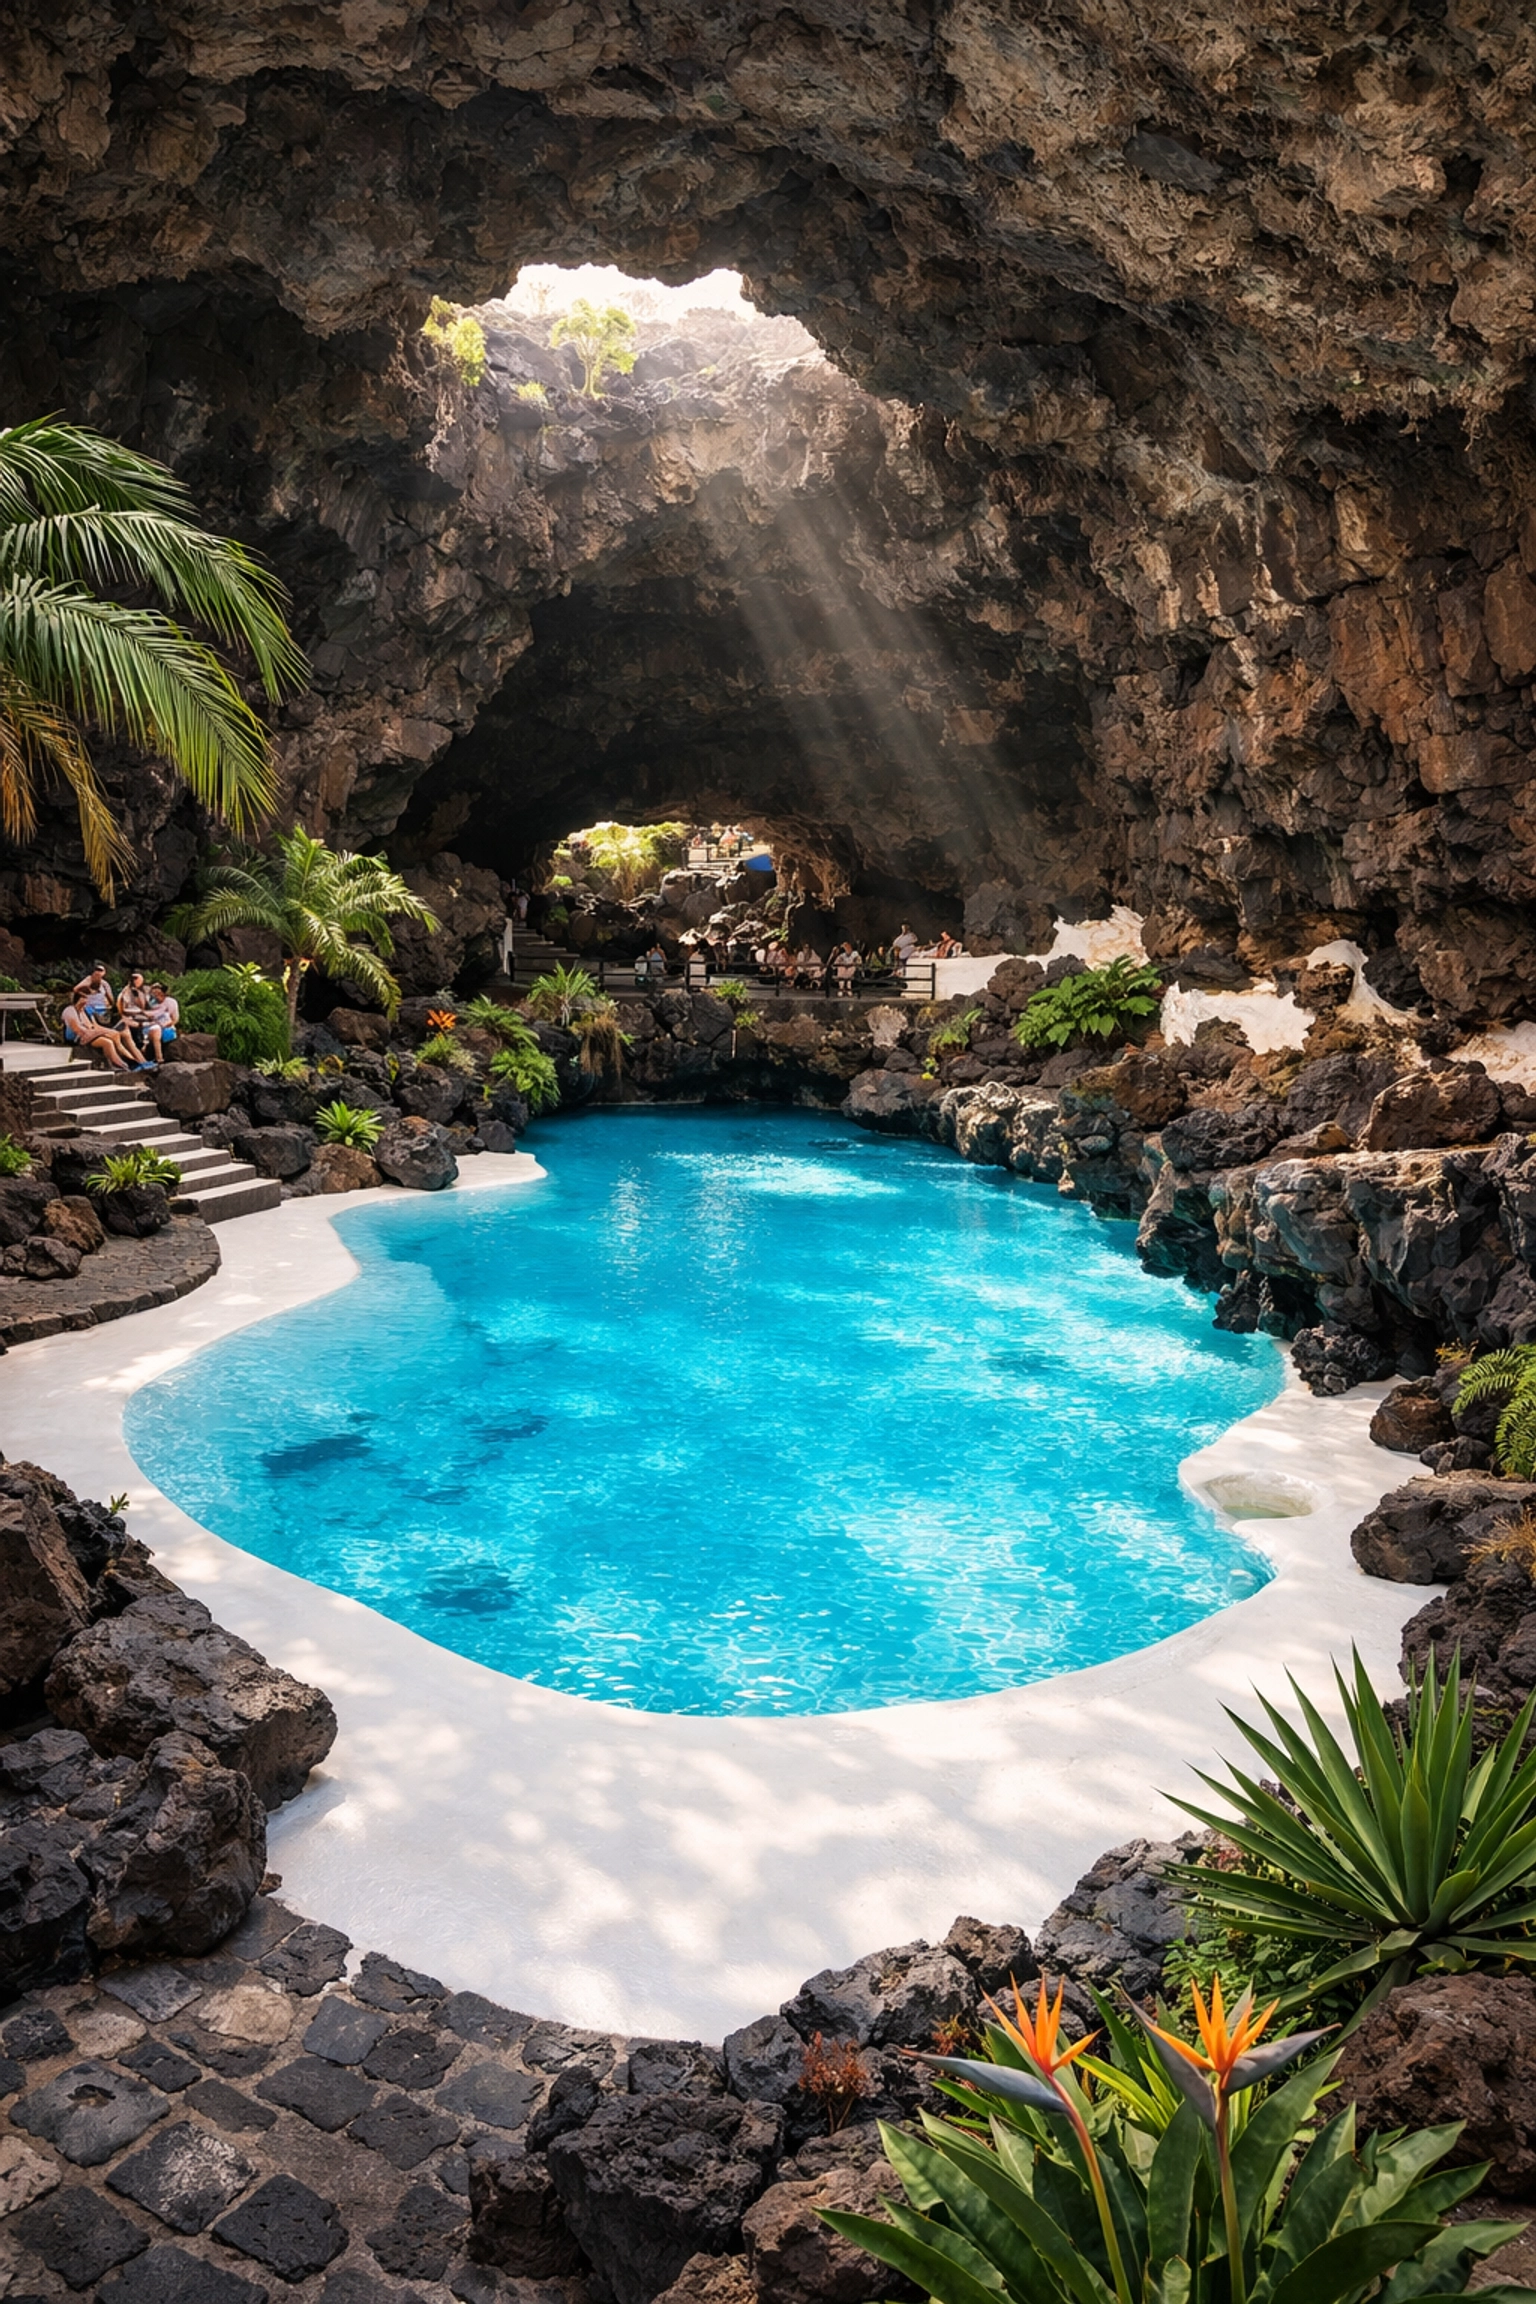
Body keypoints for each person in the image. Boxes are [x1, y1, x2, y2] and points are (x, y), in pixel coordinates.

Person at [61, 997, 143, 1068]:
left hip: (89, 1034)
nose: (85, 1002)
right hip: (78, 1037)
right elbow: (79, 1030)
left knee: (115, 1036)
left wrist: (103, 1031)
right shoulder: (70, 1011)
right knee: (108, 1042)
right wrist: (100, 1032)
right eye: (83, 1000)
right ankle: (121, 1063)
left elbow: (93, 1026)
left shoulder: (85, 1010)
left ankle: (134, 1061)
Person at [142, 983, 179, 1063]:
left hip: (166, 1027)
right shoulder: (150, 1003)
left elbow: (175, 1019)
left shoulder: (171, 1002)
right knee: (156, 1029)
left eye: (159, 993)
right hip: (151, 1027)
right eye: (154, 993)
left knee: (161, 1030)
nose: (156, 996)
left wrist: (168, 1024)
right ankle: (159, 1058)